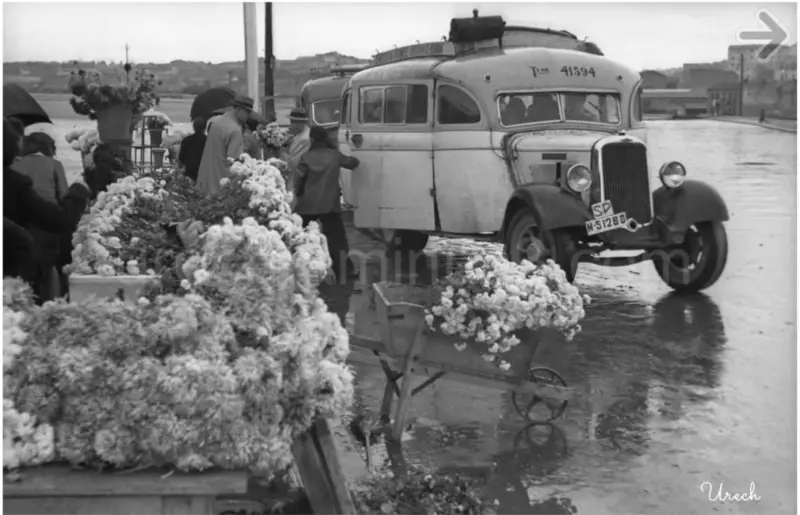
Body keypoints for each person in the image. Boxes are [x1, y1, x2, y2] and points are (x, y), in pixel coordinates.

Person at [3, 117, 98, 302]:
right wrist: (79, 189)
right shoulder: (15, 181)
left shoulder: (17, 169)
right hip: (20, 256)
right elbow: (60, 215)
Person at [294, 126, 360, 281]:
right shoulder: (334, 156)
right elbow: (352, 163)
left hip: (306, 204)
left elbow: (299, 179)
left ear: (312, 140)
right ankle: (345, 271)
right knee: (337, 240)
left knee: (300, 237)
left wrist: (296, 195)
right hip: (330, 205)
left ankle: (300, 268)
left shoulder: (306, 157)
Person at [12, 132, 70, 301]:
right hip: (47, 225)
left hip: (21, 225)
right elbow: (64, 195)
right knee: (48, 267)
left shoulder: (16, 166)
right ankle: (50, 300)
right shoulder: (54, 165)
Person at [196, 95, 251, 196]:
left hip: (205, 178)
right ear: (240, 110)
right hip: (221, 184)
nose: (248, 117)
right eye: (248, 113)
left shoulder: (215, 122)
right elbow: (235, 163)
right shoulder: (235, 130)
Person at [285, 107, 311, 193]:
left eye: (293, 121)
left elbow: (295, 160)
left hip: (301, 177)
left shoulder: (305, 138)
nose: (291, 124)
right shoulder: (298, 133)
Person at [177, 117, 207, 182]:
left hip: (189, 171)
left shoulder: (186, 140)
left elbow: (181, 158)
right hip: (204, 172)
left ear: (193, 128)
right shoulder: (208, 141)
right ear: (205, 129)